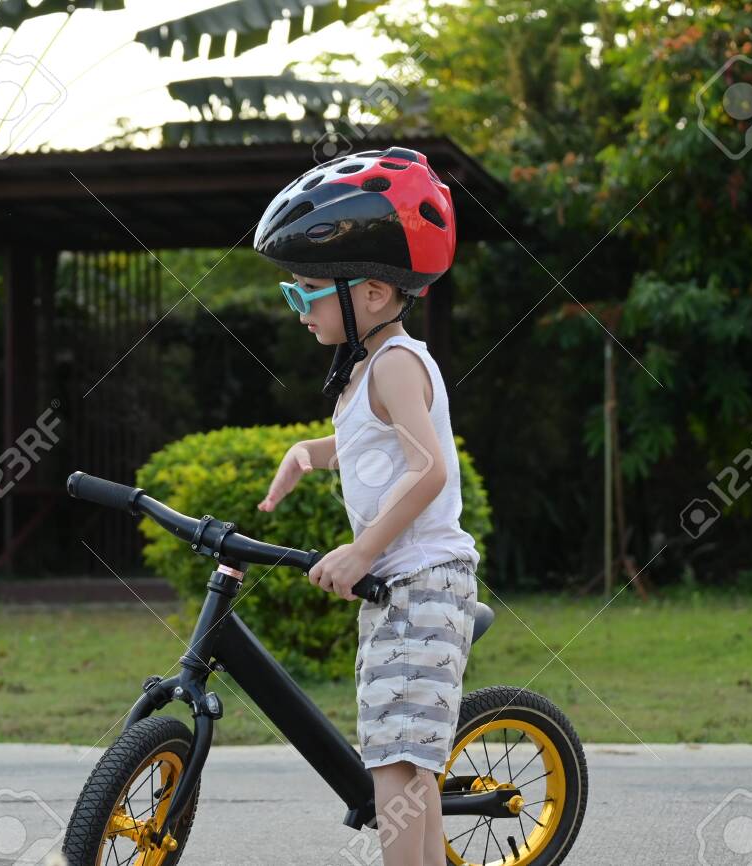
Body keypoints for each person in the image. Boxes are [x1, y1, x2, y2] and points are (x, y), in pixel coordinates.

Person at [251, 146, 480, 866]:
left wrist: (361, 551)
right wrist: (310, 452)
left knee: (395, 766)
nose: (297, 307)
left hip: (420, 580)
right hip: (403, 584)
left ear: (374, 294)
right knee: (406, 759)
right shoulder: (368, 369)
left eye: (307, 292)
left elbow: (428, 469)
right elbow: (373, 442)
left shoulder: (397, 364)